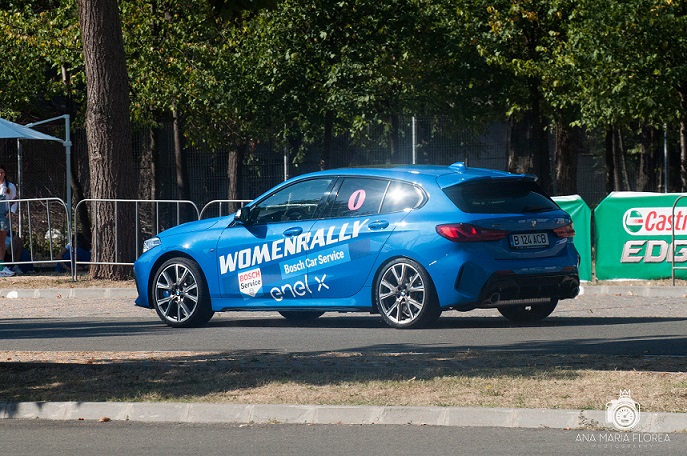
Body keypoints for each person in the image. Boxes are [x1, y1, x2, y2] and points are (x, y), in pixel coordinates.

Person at [0, 164, 17, 277]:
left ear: (4, 173)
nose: (0, 174)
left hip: (3, 216)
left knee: (1, 241)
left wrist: (11, 212)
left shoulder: (9, 186)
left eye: (1, 172)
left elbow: (14, 200)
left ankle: (2, 266)